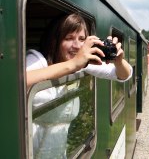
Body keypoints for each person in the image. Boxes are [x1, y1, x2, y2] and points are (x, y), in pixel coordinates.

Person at [26, 13, 132, 158]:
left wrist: (118, 60)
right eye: (69, 38)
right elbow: (17, 81)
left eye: (82, 39)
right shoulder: (37, 60)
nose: (76, 46)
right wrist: (73, 64)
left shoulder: (81, 64)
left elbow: (124, 74)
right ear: (54, 41)